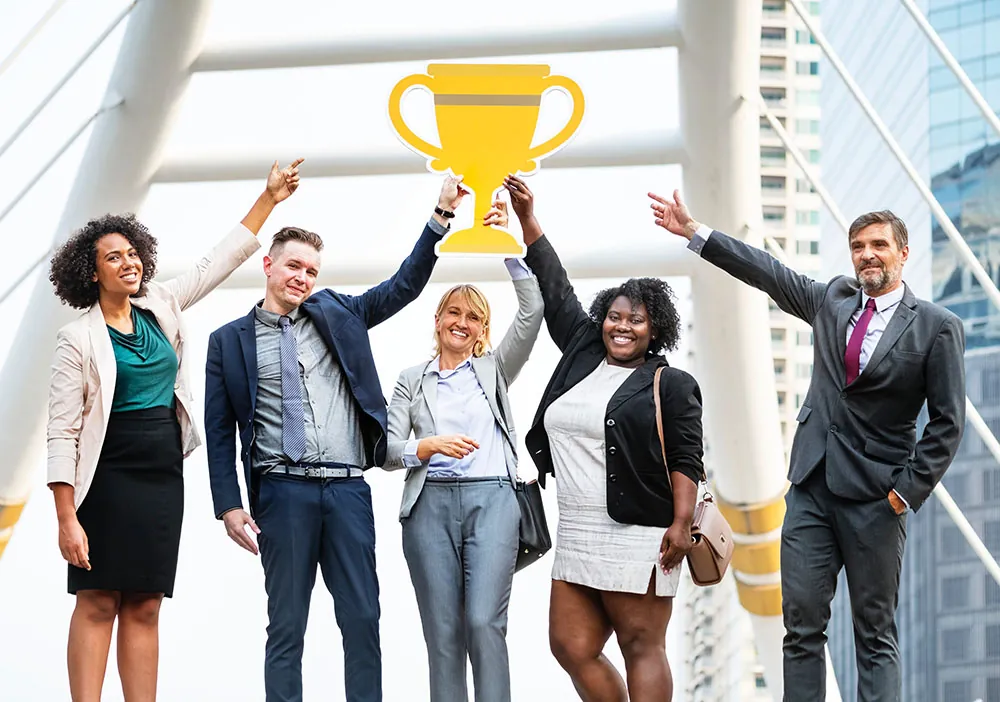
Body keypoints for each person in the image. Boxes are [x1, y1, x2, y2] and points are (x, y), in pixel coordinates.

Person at [649, 189, 966, 702]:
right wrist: (695, 232)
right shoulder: (832, 301)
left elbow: (948, 423)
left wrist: (904, 494)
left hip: (878, 500)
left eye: (879, 245)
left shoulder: (936, 328)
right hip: (811, 489)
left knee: (874, 631)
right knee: (799, 624)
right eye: (859, 245)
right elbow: (769, 271)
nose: (868, 254)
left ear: (903, 253)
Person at [203, 176, 469, 702]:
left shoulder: (339, 313)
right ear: (269, 265)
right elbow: (218, 432)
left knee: (363, 618)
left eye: (311, 271)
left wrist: (440, 215)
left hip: (347, 490)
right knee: (286, 626)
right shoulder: (227, 342)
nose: (302, 277)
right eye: (294, 266)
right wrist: (229, 505)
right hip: (283, 493)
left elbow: (403, 287)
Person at [46, 159, 302, 701]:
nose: (128, 263)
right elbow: (62, 433)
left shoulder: (160, 304)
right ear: (92, 273)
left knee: (144, 600)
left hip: (160, 474)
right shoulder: (77, 339)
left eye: (133, 253)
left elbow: (218, 262)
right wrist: (67, 517)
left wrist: (269, 199)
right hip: (106, 476)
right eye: (113, 257)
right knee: (97, 599)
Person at [502, 174, 704, 702]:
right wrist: (527, 218)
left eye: (636, 321)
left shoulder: (671, 383)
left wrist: (682, 522)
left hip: (642, 531)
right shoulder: (583, 352)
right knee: (570, 644)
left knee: (642, 645)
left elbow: (687, 457)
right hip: (579, 529)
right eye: (614, 317)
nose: (622, 327)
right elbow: (555, 285)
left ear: (654, 330)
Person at [384, 199, 544, 702]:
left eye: (474, 317)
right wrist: (425, 447)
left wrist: (508, 249)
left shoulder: (493, 371)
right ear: (437, 318)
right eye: (454, 312)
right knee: (443, 635)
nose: (462, 322)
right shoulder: (411, 380)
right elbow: (387, 450)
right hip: (428, 507)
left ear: (482, 330)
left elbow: (533, 309)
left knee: (482, 621)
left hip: (493, 501)